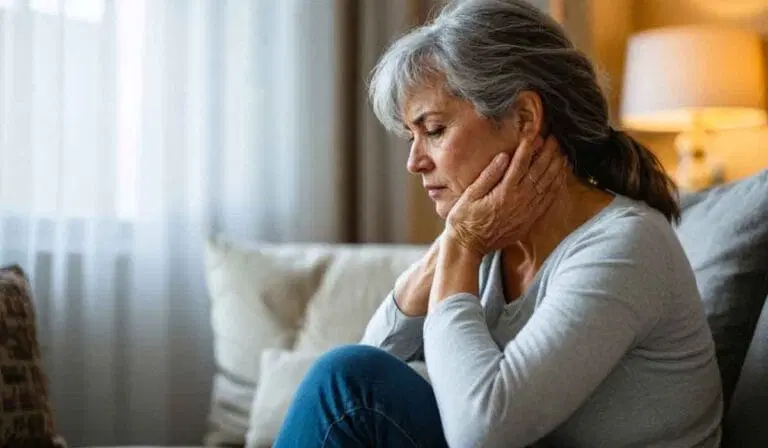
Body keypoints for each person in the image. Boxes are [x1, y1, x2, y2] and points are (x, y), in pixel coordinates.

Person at [273, 0, 723, 446]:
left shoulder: (627, 246)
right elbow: (372, 363)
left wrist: (463, 243)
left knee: (345, 382)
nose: (414, 161)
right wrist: (458, 240)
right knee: (347, 380)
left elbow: (482, 432)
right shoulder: (491, 238)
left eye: (433, 130)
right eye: (411, 136)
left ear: (524, 118)